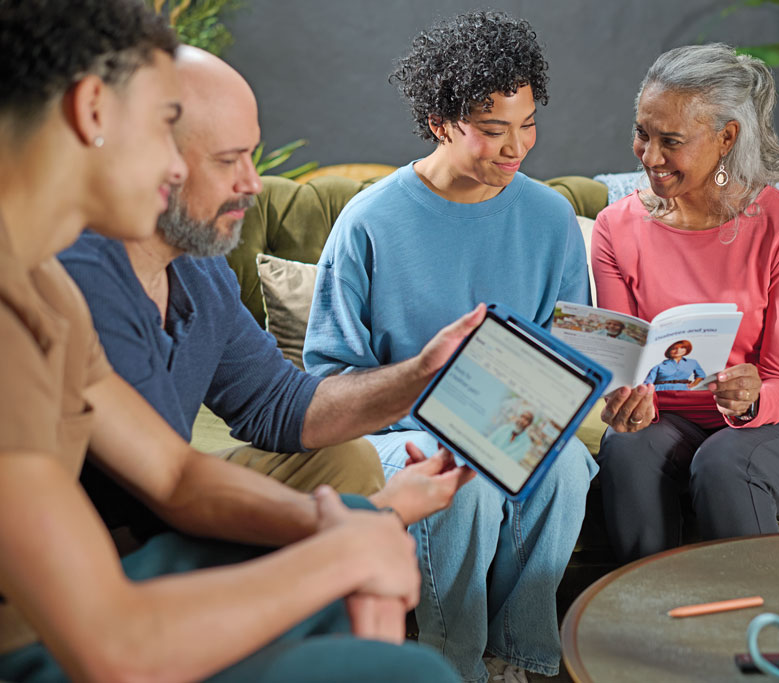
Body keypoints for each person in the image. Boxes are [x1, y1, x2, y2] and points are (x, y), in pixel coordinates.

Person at [0, 2, 466, 680]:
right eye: (167, 125)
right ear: (93, 110)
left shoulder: (45, 287)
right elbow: (112, 649)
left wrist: (349, 524)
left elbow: (177, 471)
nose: (174, 165)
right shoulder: (34, 304)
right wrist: (348, 549)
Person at [58, 45, 479, 546]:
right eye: (227, 160)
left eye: (250, 156)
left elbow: (276, 403)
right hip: (91, 540)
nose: (252, 184)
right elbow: (168, 485)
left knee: (343, 460)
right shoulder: (77, 275)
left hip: (165, 503)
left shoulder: (200, 268)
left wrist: (423, 374)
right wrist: (374, 517)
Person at [303, 11, 596, 682]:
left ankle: (519, 658)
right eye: (494, 131)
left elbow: (572, 350)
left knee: (569, 466)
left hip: (513, 425)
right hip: (398, 431)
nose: (516, 148)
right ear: (441, 122)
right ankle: (451, 662)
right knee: (459, 479)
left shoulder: (549, 217)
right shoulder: (370, 221)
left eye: (527, 125)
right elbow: (328, 377)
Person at [593, 44, 779, 563]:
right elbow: (624, 363)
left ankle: (749, 631)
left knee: (723, 461)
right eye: (642, 134)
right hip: (674, 418)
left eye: (670, 141)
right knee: (626, 448)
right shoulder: (616, 227)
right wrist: (624, 400)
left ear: (726, 138)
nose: (649, 157)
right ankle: (644, 621)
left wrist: (754, 397)